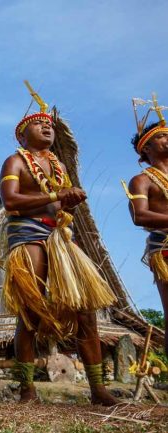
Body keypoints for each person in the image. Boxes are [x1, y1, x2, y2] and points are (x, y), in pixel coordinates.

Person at [0, 81, 118, 405]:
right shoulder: (15, 162)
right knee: (30, 313)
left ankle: (98, 390)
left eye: (49, 124)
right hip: (28, 235)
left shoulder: (60, 166)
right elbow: (10, 201)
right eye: (38, 124)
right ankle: (27, 390)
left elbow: (59, 200)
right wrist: (56, 195)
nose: (46, 127)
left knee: (85, 312)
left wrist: (70, 200)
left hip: (62, 237)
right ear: (22, 135)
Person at [123, 93, 168, 354]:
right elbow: (139, 216)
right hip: (164, 247)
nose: (167, 138)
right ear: (146, 149)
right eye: (160, 136)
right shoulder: (141, 181)